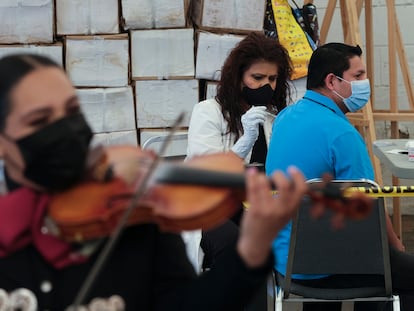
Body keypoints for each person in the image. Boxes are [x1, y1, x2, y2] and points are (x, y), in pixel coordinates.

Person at [0, 53, 308, 310]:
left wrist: (251, 252)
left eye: (72, 111)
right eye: (39, 121)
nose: (64, 129)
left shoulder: (134, 216)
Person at [266, 42, 414, 311]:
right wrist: (398, 248)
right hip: (329, 267)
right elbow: (371, 208)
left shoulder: (285, 118)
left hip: (285, 261)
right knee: (395, 268)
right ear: (332, 81)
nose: (365, 83)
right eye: (358, 76)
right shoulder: (342, 135)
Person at [184, 31, 293, 274]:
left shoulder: (273, 118)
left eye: (273, 79)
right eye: (257, 77)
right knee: (237, 247)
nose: (267, 85)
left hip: (257, 208)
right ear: (238, 77)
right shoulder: (208, 112)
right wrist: (245, 142)